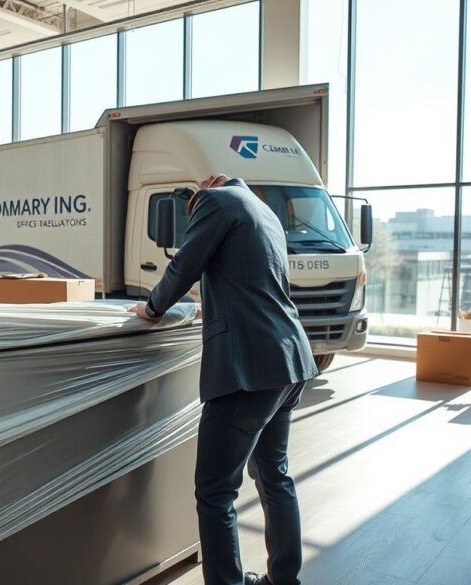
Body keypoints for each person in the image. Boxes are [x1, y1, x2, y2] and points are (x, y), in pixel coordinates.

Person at [130, 175, 318, 585]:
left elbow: (184, 265)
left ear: (201, 194)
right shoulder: (263, 211)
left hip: (247, 369)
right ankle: (284, 579)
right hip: (289, 359)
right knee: (275, 476)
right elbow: (248, 280)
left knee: (215, 492)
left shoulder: (214, 201)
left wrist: (153, 308)